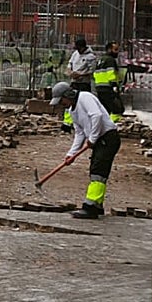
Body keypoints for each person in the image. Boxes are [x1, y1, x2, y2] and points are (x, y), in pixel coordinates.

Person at [49, 81, 122, 219]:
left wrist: (93, 138)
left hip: (108, 137)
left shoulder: (85, 97)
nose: (61, 104)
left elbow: (97, 116)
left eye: (61, 100)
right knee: (96, 171)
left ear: (68, 95)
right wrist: (71, 154)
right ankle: (97, 205)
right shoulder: (72, 111)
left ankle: (90, 207)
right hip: (99, 141)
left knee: (98, 171)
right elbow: (79, 133)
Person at [93, 41, 125, 123]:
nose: (117, 52)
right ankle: (110, 126)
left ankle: (103, 126)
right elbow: (111, 73)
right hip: (108, 87)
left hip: (99, 88)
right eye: (115, 49)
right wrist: (114, 85)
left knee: (105, 110)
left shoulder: (100, 60)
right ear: (109, 49)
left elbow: (95, 74)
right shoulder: (110, 60)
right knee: (118, 109)